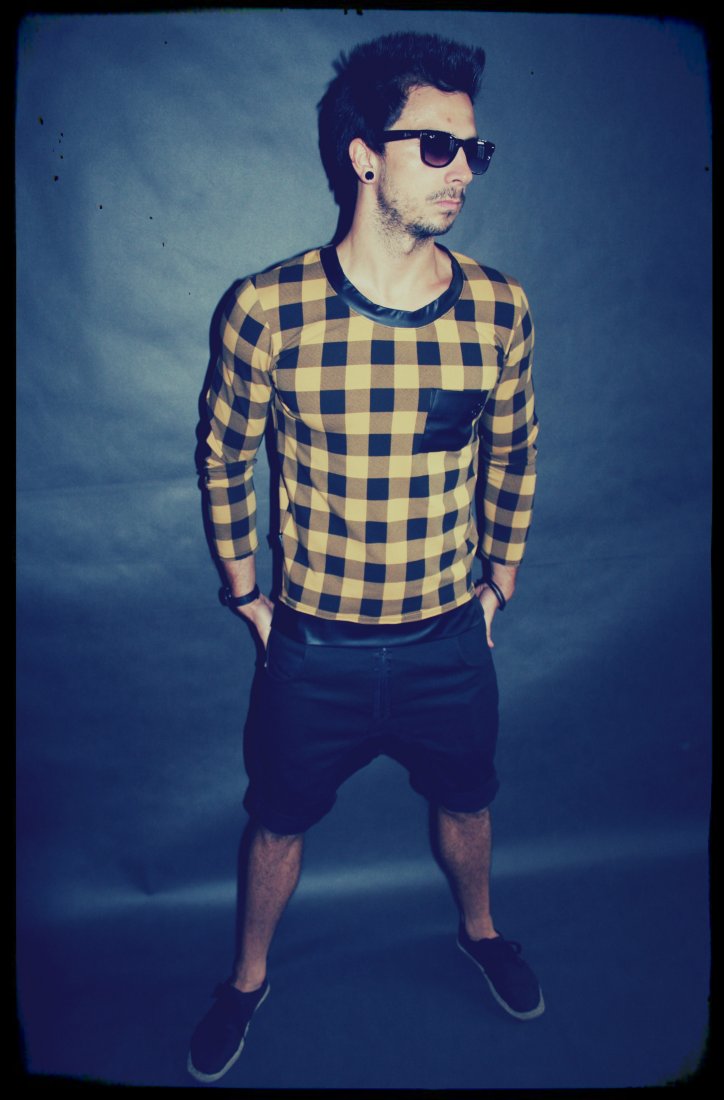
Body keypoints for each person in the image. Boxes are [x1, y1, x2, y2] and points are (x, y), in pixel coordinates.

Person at [188, 30, 542, 1084]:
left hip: (447, 641)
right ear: (362, 155)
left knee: (469, 801)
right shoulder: (268, 309)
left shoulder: (499, 308)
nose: (462, 170)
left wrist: (500, 580)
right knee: (276, 820)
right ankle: (246, 978)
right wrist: (246, 593)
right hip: (315, 651)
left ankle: (481, 930)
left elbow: (515, 449)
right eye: (436, 146)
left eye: (474, 150)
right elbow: (223, 452)